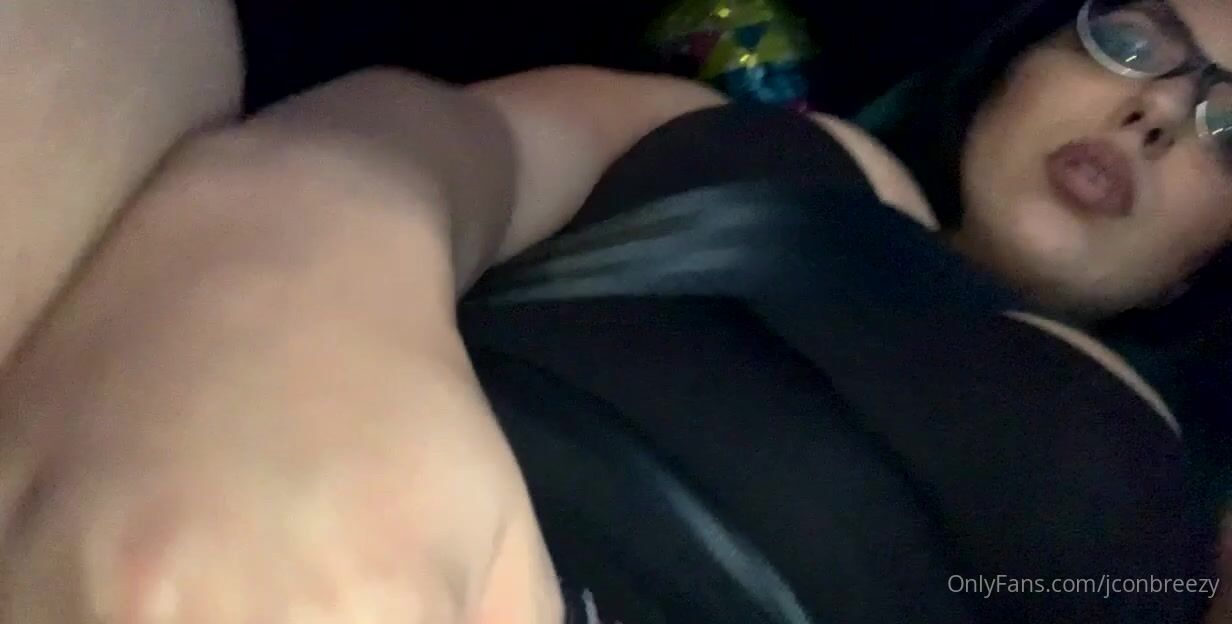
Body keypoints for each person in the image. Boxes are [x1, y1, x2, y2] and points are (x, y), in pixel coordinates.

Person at [0, 0, 1225, 623]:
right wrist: (283, 274)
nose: (1157, 112)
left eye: (1229, 128)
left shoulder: (1188, 499)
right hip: (224, 425)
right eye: (1131, 41)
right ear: (1013, 60)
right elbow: (457, 144)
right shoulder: (783, 151)